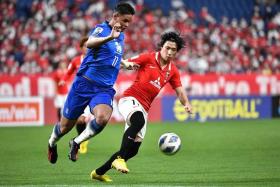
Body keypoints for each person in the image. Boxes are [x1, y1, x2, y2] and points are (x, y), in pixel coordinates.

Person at [90, 31, 193, 182]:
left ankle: (98, 172)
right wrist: (127, 64)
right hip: (129, 99)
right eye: (167, 48)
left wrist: (187, 104)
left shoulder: (173, 71)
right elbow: (127, 62)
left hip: (144, 108)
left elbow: (180, 91)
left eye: (173, 50)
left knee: (133, 150)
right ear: (161, 47)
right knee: (138, 122)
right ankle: (119, 159)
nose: (169, 52)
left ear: (176, 52)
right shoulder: (149, 57)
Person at [47, 2, 136, 164]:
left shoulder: (121, 35)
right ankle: (51, 143)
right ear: (115, 17)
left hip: (103, 88)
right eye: (125, 21)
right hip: (83, 85)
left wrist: (124, 63)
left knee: (102, 118)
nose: (127, 25)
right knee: (64, 127)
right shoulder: (102, 29)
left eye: (129, 22)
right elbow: (90, 43)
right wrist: (110, 37)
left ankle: (76, 142)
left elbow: (110, 55)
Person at [58, 36, 93, 154]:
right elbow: (68, 72)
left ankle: (81, 139)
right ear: (81, 48)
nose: (87, 48)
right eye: (85, 46)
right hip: (79, 93)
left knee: (84, 119)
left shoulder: (95, 59)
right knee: (80, 121)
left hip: (93, 93)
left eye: (89, 45)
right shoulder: (76, 61)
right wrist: (63, 80)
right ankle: (81, 139)